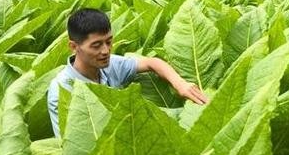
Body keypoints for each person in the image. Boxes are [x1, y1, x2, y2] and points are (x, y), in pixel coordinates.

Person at [47, 8, 208, 137]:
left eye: (109, 42)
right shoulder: (62, 89)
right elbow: (72, 147)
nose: (106, 51)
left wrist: (180, 84)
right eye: (96, 45)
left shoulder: (110, 64)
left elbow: (152, 63)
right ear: (74, 47)